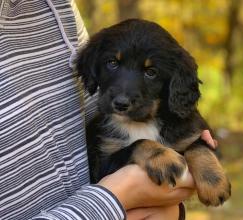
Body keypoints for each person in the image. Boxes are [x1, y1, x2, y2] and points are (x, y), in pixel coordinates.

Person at [0, 0, 216, 219]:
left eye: (150, 73)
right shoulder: (107, 133)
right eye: (112, 63)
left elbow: (196, 143)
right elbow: (105, 171)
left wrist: (200, 158)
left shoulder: (57, 6)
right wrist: (138, 161)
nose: (122, 97)